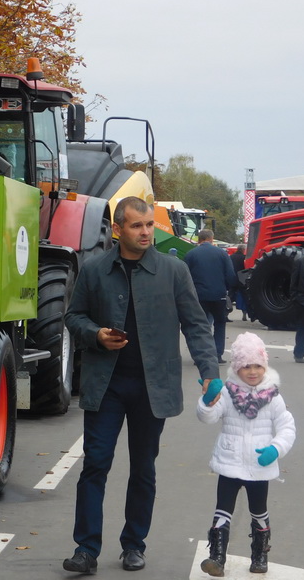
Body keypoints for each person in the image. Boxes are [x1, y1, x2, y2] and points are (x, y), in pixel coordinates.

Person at [62, 197, 219, 574]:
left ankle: (134, 544)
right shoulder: (96, 269)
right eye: (137, 226)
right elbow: (73, 316)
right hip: (106, 386)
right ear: (118, 229)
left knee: (143, 468)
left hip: (154, 387)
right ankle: (86, 549)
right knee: (95, 465)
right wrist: (96, 334)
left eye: (149, 225)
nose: (146, 232)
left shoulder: (174, 270)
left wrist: (209, 370)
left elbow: (196, 324)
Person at [196, 332, 296, 576]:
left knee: (259, 510)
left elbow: (287, 426)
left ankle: (260, 555)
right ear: (236, 368)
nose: (253, 372)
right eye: (246, 366)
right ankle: (216, 557)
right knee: (222, 509)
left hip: (259, 466)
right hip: (229, 462)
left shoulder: (273, 396)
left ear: (265, 366)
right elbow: (208, 418)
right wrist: (207, 402)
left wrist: (276, 448)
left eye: (258, 366)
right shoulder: (228, 393)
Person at [183, 229, 237, 363]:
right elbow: (230, 275)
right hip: (218, 295)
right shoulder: (222, 254)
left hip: (198, 296)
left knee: (200, 326)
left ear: (199, 239)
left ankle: (200, 356)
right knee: (219, 324)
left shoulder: (190, 255)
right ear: (212, 239)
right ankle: (217, 354)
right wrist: (227, 289)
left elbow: (184, 277)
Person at [229, 244, 250, 321]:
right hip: (241, 279)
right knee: (245, 296)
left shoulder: (231, 257)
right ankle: (246, 313)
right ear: (243, 250)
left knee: (230, 296)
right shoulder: (244, 258)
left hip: (232, 278)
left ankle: (225, 314)